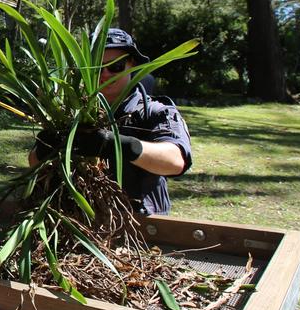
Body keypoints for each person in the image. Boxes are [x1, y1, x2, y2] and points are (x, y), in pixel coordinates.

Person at [30, 28, 192, 216]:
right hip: (77, 220)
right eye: (97, 67)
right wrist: (44, 148)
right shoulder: (71, 114)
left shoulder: (155, 111)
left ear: (132, 65)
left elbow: (175, 161)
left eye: (115, 65)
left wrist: (117, 144)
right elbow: (33, 163)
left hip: (140, 225)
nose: (105, 73)